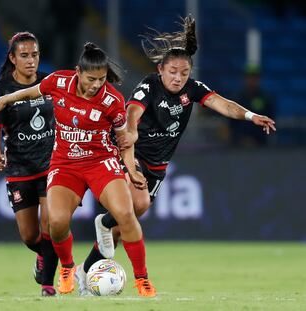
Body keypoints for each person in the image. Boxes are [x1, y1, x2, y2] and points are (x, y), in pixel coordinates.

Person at [77, 15, 277, 295]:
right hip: (130, 152)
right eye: (172, 72)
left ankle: (85, 271)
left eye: (184, 73)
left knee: (124, 226)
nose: (178, 78)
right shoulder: (149, 85)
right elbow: (131, 115)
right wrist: (129, 153)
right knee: (139, 204)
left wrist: (250, 115)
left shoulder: (192, 89)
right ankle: (110, 254)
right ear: (161, 69)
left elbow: (223, 104)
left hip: (158, 165)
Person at [0, 42, 157, 297]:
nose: (96, 85)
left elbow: (124, 140)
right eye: (91, 79)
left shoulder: (113, 100)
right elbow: (32, 92)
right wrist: (5, 100)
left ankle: (142, 279)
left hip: (101, 161)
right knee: (56, 223)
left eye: (101, 79)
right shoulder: (59, 82)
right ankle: (68, 268)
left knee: (125, 213)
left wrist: (131, 169)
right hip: (65, 163)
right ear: (78, 72)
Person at [0, 32, 57, 297]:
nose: (31, 60)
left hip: (52, 165)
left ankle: (50, 284)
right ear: (13, 58)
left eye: (35, 54)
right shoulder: (1, 89)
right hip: (19, 168)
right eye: (25, 55)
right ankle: (47, 256)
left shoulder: (49, 82)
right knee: (30, 236)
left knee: (52, 226)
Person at [228, 64, 275, 147]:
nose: (252, 80)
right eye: (249, 77)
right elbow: (230, 123)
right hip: (238, 143)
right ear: (244, 78)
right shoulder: (236, 98)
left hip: (260, 143)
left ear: (259, 79)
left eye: (255, 77)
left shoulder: (266, 99)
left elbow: (271, 121)